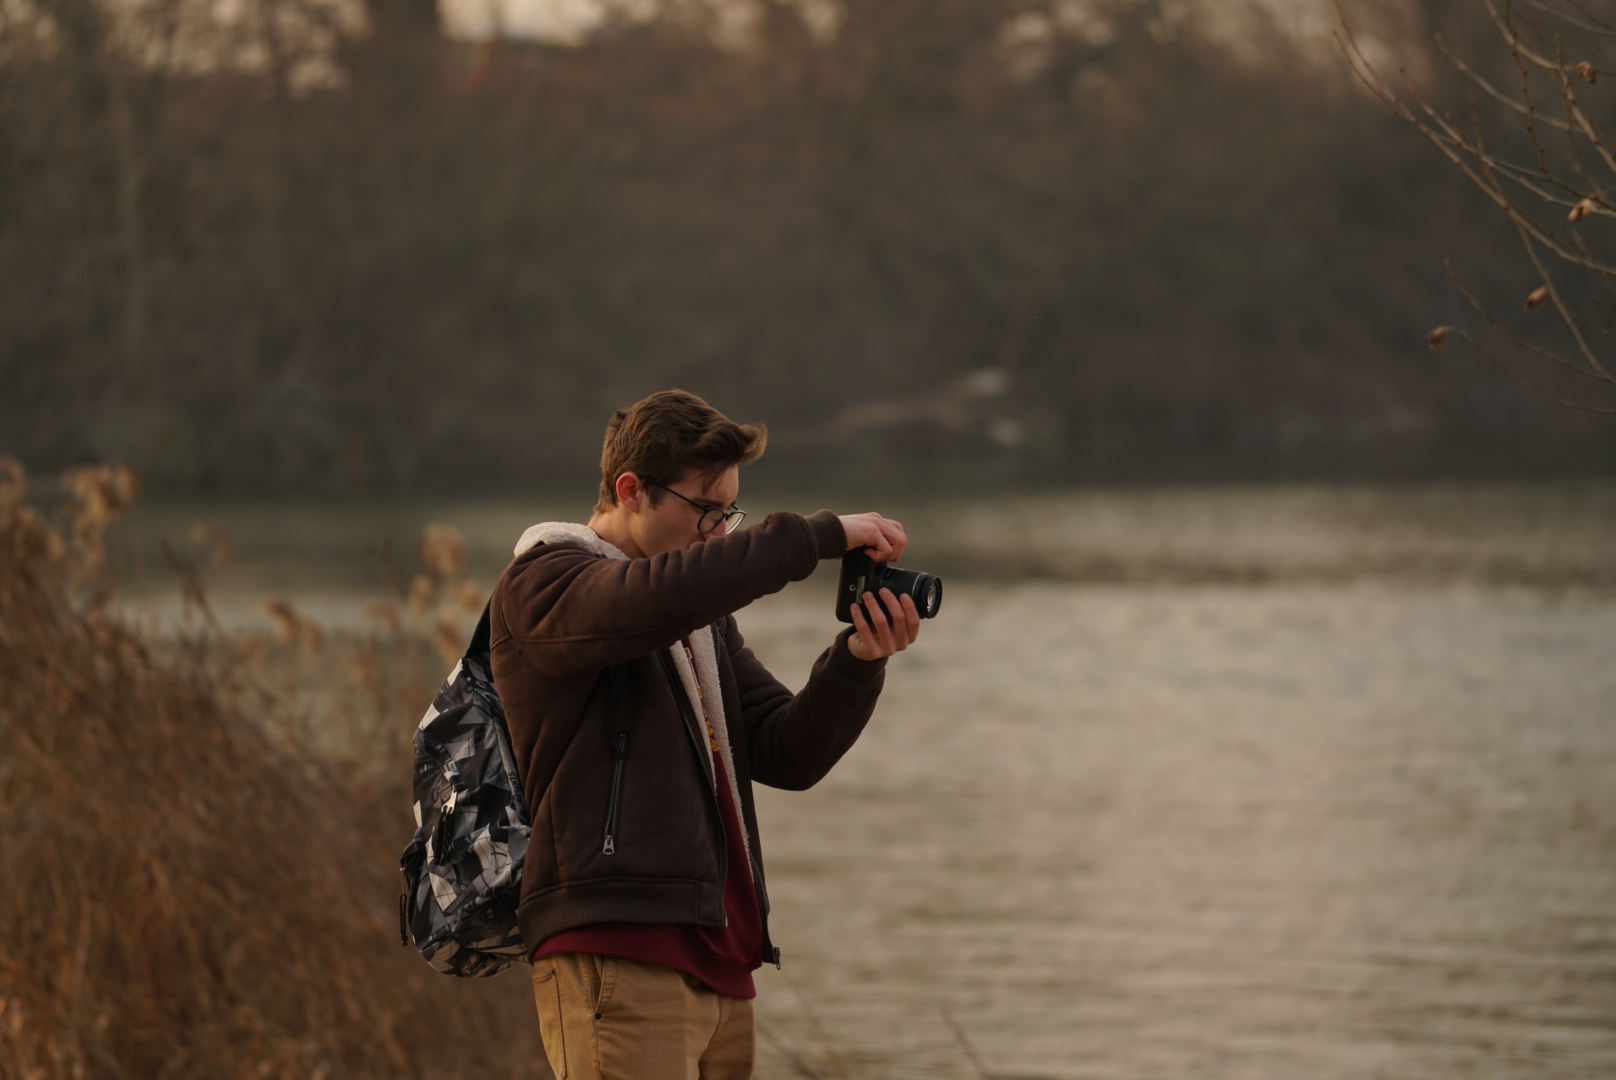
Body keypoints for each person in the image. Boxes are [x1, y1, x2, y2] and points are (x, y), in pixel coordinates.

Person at [489, 389, 922, 1080]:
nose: (719, 531)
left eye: (731, 512)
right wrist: (815, 537)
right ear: (631, 491)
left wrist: (858, 661)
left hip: (721, 961)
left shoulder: (698, 624)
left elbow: (787, 750)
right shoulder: (548, 583)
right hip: (618, 948)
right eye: (706, 510)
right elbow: (657, 596)